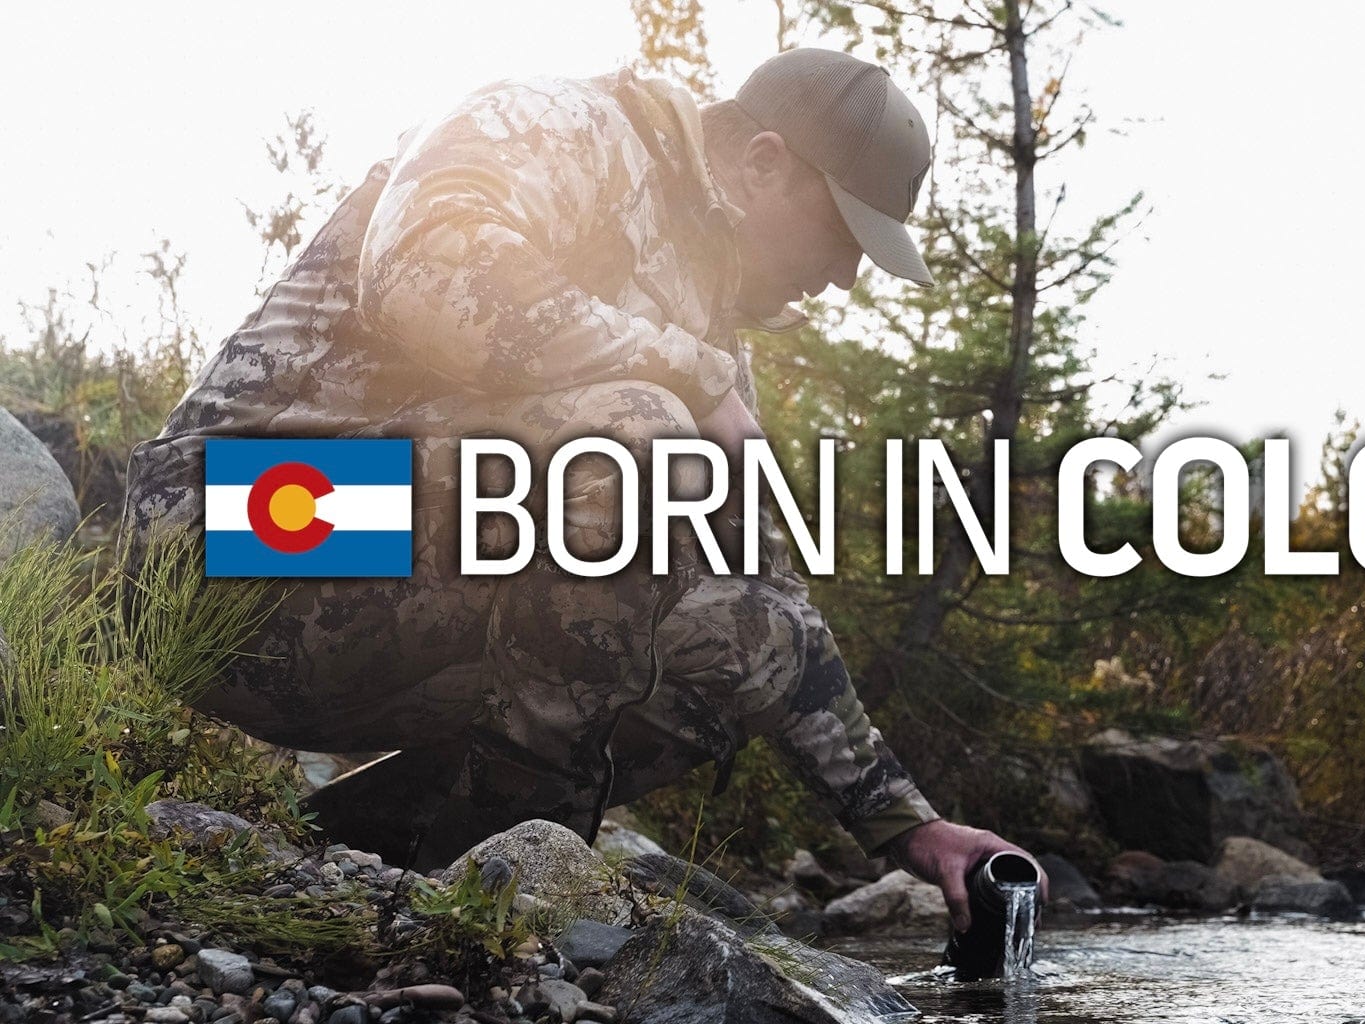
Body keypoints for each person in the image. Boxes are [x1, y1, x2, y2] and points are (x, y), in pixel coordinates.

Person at [121, 48, 1039, 928]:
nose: (843, 276)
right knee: (632, 436)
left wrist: (904, 821)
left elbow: (758, 586)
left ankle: (407, 867)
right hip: (233, 531)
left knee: (724, 662)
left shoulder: (705, 322)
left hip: (376, 585)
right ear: (763, 162)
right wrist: (690, 371)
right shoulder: (559, 123)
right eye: (842, 233)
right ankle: (516, 885)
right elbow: (425, 271)